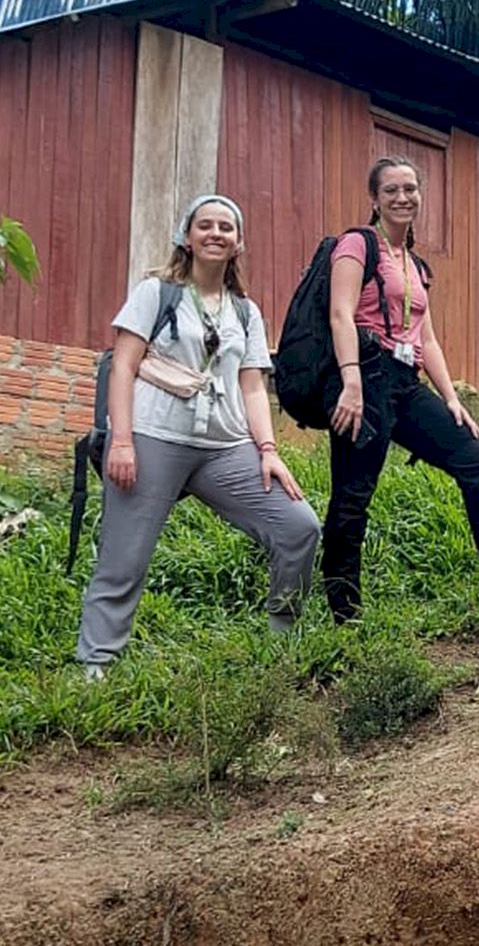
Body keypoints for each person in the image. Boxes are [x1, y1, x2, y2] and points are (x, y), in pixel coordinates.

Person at [76, 195, 320, 676]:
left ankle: (282, 642)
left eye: (226, 228)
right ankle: (96, 664)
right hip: (153, 436)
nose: (215, 234)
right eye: (205, 225)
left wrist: (268, 450)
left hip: (224, 448)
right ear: (186, 237)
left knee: (299, 527)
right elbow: (123, 366)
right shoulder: (156, 293)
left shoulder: (245, 312)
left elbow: (252, 386)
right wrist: (121, 441)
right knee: (124, 559)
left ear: (238, 243)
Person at [322, 156, 479, 622]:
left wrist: (451, 400)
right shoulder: (356, 244)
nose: (403, 197)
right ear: (375, 199)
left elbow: (426, 340)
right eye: (391, 190)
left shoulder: (414, 264)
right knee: (353, 494)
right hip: (365, 375)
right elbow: (340, 314)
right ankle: (344, 613)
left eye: (410, 189)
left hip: (406, 383)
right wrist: (351, 381)